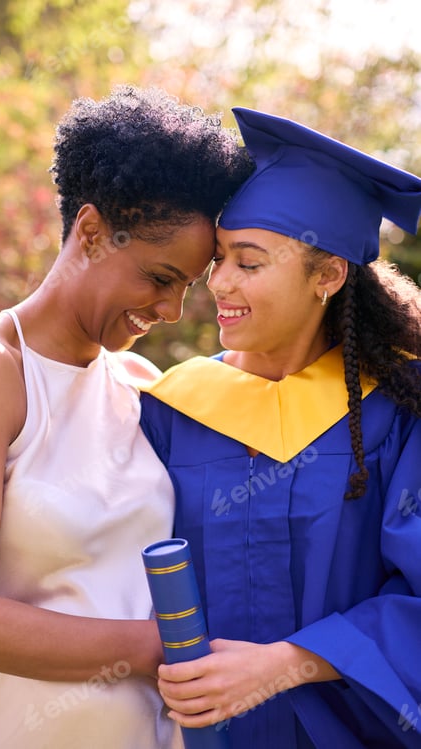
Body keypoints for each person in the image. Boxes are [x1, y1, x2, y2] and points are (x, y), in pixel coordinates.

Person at [0, 85, 253, 749]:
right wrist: (155, 647)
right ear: (94, 233)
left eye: (188, 285)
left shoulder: (144, 386)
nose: (172, 311)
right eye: (160, 277)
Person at [139, 108, 421, 748]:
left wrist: (287, 663)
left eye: (250, 262)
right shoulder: (171, 411)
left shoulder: (400, 411)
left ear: (328, 275)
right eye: (218, 258)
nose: (219, 284)